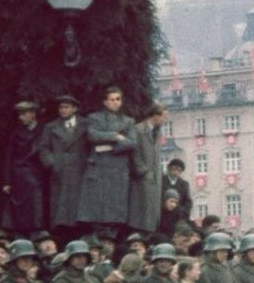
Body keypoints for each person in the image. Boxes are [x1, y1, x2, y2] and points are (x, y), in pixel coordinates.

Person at [77, 87, 137, 233]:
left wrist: (110, 147)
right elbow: (92, 136)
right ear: (105, 102)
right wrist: (115, 136)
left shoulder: (128, 121)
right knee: (96, 208)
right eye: (112, 99)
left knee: (115, 209)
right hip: (99, 167)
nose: (115, 102)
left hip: (118, 168)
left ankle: (111, 237)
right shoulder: (94, 118)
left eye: (118, 99)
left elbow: (132, 143)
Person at [38, 94, 89, 246]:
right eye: (61, 107)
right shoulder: (51, 127)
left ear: (74, 108)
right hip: (60, 174)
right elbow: (43, 148)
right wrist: (51, 163)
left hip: (80, 172)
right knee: (61, 215)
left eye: (66, 107)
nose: (63, 110)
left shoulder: (85, 124)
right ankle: (63, 242)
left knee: (80, 214)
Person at [1, 100, 45, 235]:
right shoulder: (16, 133)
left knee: (38, 204)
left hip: (39, 173)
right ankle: (24, 231)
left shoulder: (43, 130)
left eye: (23, 114)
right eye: (19, 114)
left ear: (33, 114)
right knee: (22, 208)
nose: (20, 117)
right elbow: (9, 158)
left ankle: (38, 228)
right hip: (20, 175)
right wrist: (7, 181)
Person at [127, 102, 168, 235]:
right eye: (164, 117)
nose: (165, 121)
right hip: (141, 179)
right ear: (155, 116)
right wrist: (143, 171)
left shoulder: (157, 132)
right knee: (141, 214)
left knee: (151, 214)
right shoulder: (138, 130)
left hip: (154, 179)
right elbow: (133, 153)